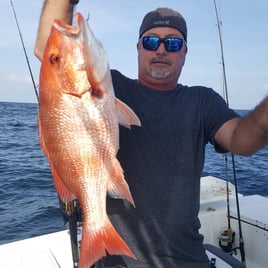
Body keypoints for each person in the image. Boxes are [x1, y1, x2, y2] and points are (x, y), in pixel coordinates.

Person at [34, 1, 268, 267]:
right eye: (150, 41)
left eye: (172, 44)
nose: (160, 49)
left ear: (185, 53)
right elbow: (48, 50)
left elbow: (243, 140)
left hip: (186, 259)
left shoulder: (202, 101)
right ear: (138, 48)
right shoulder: (110, 86)